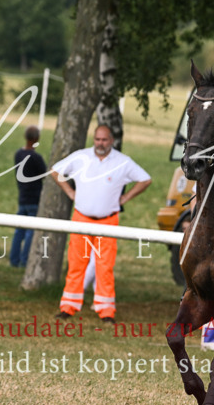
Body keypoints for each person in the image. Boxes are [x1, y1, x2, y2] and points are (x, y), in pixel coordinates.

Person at [52, 125, 151, 324]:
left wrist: (125, 198)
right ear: (94, 139)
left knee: (105, 267)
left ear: (111, 140)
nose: (100, 143)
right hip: (81, 219)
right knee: (76, 264)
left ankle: (106, 311)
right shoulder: (81, 156)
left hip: (108, 221)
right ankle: (68, 307)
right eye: (97, 139)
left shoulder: (123, 162)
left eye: (104, 140)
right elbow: (55, 171)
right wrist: (70, 192)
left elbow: (145, 179)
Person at [9, 126, 46, 268]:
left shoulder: (18, 154)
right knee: (31, 231)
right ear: (36, 139)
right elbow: (44, 173)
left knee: (19, 230)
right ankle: (25, 260)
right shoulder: (36, 157)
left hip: (23, 197)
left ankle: (14, 259)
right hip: (34, 199)